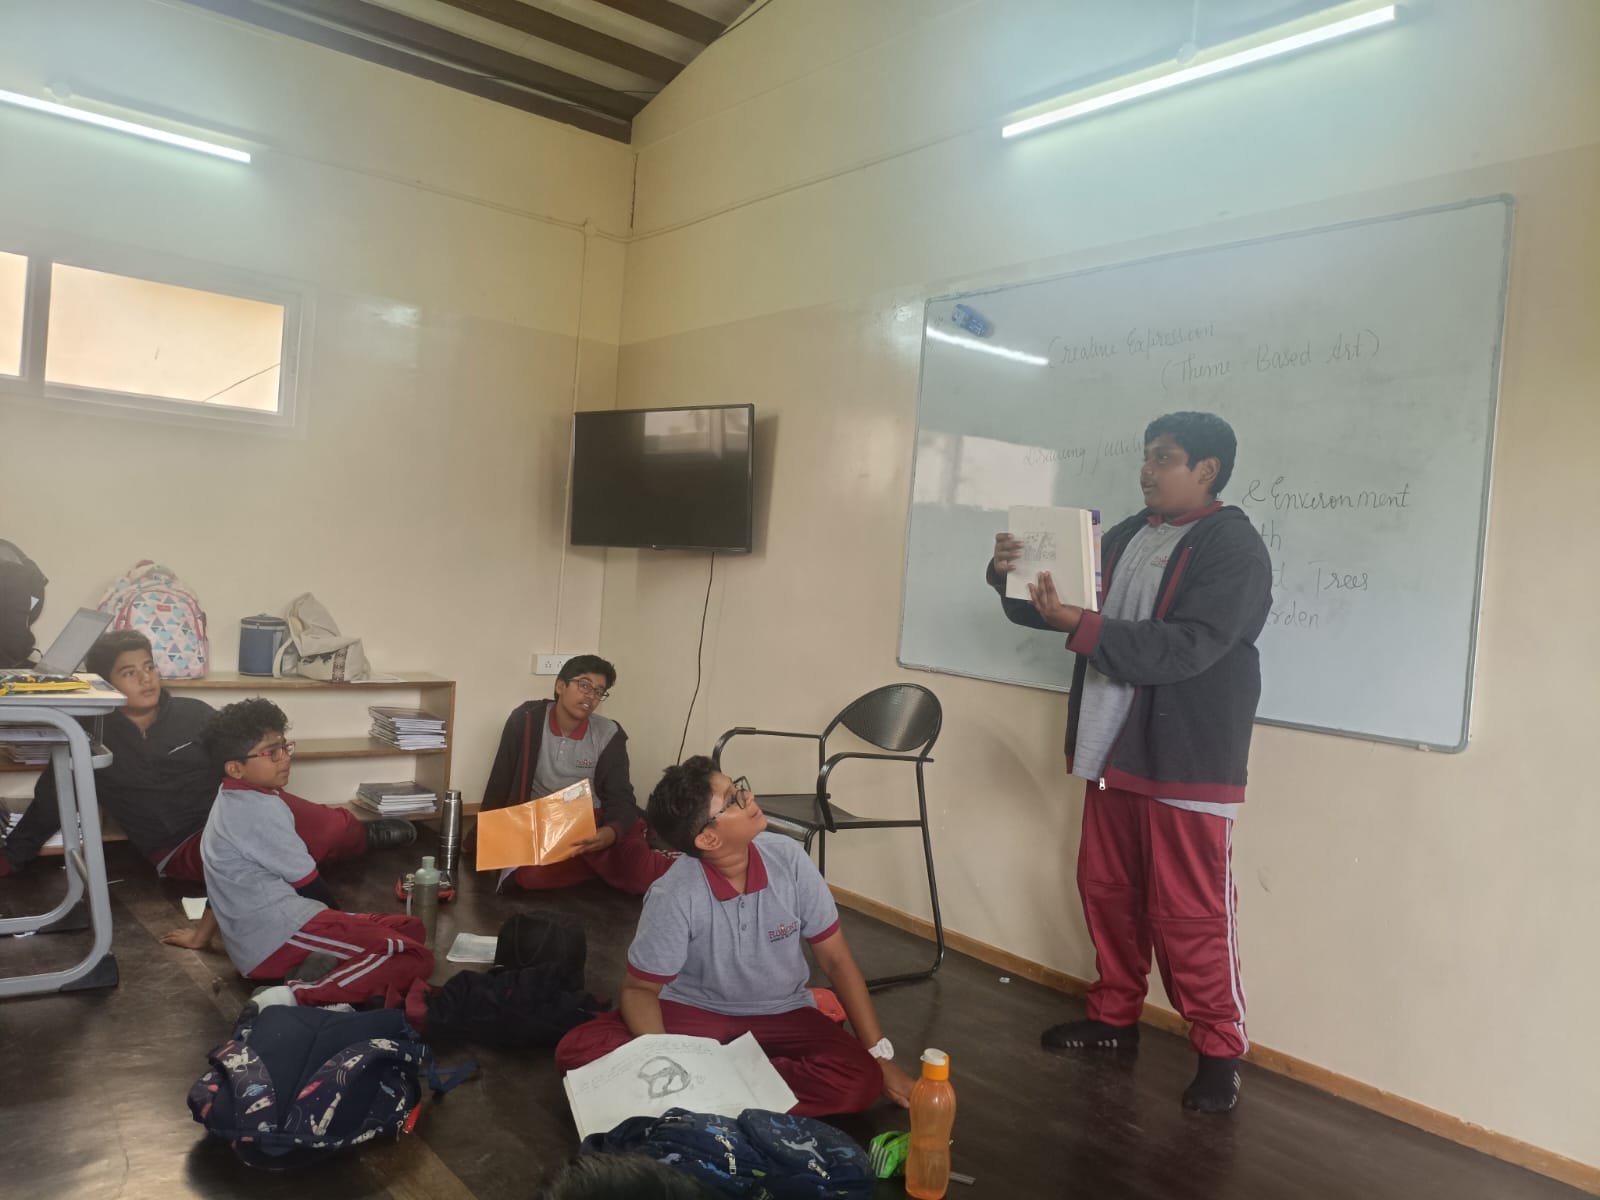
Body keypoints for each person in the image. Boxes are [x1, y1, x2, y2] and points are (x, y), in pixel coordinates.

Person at [988, 411, 1272, 1114]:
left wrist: (1081, 625)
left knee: (1190, 912)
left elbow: (1189, 647)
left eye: (1163, 458)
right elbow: (1055, 609)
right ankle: (1115, 1015)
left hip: (1185, 756)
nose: (1146, 470)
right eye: (1146, 456)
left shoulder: (1232, 545)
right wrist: (1006, 574)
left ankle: (1218, 1051)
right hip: (1111, 748)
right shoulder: (1126, 534)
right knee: (1108, 890)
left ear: (1206, 469)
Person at [0, 630, 416, 946]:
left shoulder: (194, 714)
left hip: (236, 810)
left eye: (149, 667)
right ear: (104, 681)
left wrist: (267, 786)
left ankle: (361, 836)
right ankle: (303, 862)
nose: (146, 679)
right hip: (181, 846)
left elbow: (243, 759)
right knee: (286, 851)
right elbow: (52, 798)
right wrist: (10, 858)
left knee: (333, 828)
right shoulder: (90, 733)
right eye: (129, 672)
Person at [554, 757, 916, 1117]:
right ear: (708, 838)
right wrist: (666, 1055)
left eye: (738, 786)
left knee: (861, 1079)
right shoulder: (673, 893)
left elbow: (836, 959)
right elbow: (639, 990)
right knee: (579, 1050)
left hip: (783, 1011)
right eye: (732, 798)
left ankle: (709, 1088)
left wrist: (878, 1055)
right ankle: (735, 1086)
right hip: (697, 1012)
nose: (748, 796)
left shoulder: (789, 860)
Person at [199, 698, 432, 1018]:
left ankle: (325, 971)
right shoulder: (257, 811)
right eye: (271, 752)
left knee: (410, 927)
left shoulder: (234, 795)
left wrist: (345, 928)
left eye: (284, 746)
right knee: (414, 957)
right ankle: (292, 995)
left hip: (276, 929)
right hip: (278, 938)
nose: (285, 758)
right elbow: (309, 884)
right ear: (235, 768)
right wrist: (340, 923)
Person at [478, 654, 672, 895]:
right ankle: (600, 865)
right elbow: (501, 779)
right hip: (547, 823)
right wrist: (482, 839)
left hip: (596, 820)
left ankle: (623, 855)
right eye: (584, 685)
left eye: (599, 691)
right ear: (561, 686)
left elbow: (620, 795)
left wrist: (610, 833)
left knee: (644, 879)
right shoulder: (527, 720)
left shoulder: (608, 733)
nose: (591, 696)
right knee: (528, 877)